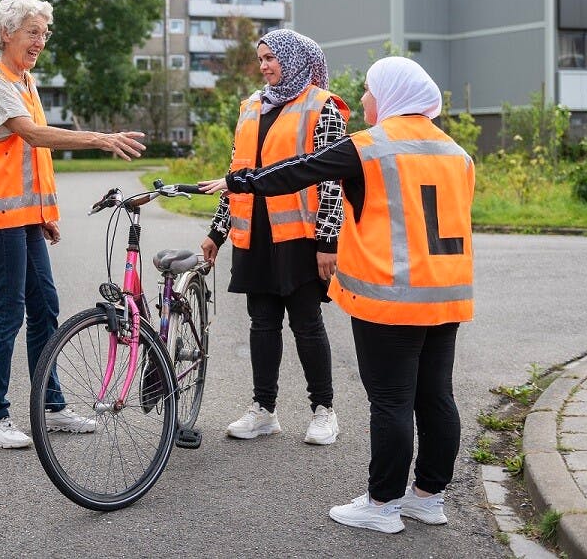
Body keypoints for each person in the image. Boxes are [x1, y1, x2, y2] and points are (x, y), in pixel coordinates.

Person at [200, 57, 474, 534]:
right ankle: (429, 497)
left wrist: (236, 180)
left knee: (390, 401)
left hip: (390, 298)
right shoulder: (457, 153)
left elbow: (298, 171)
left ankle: (383, 504)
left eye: (369, 90)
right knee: (436, 398)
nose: (365, 99)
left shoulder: (370, 147)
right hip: (445, 294)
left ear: (390, 94)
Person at [0, 0, 146, 449]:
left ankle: (52, 403)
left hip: (24, 218)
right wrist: (100, 139)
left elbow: (26, 160)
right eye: (31, 32)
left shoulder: (23, 80)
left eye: (44, 33)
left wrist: (44, 214)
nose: (40, 41)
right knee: (7, 312)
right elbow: (33, 136)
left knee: (45, 307)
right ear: (6, 34)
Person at [200, 29, 348, 446]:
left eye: (271, 58)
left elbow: (334, 178)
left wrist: (327, 241)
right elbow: (237, 173)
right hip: (255, 235)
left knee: (306, 323)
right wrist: (218, 230)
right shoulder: (251, 106)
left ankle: (324, 411)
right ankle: (264, 409)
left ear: (293, 58)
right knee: (262, 323)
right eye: (260, 59)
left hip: (301, 235)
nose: (264, 66)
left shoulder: (322, 106)